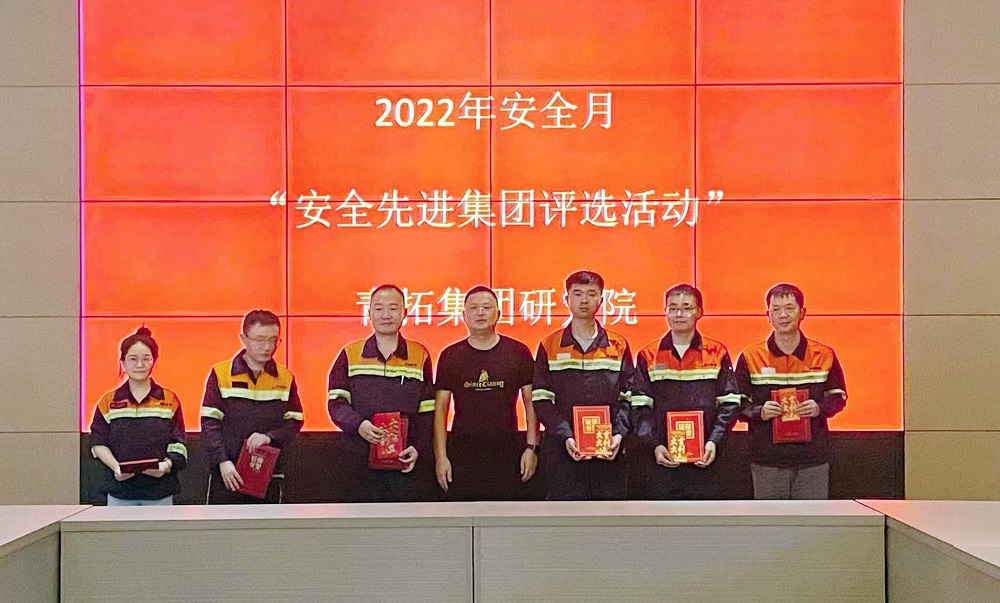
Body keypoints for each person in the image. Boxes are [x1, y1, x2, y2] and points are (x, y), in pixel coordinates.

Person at [735, 283, 848, 499]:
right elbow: (737, 402)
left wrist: (819, 408)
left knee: (811, 518)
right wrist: (759, 412)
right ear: (768, 315)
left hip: (812, 459)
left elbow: (838, 397)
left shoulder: (824, 354)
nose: (783, 315)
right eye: (776, 309)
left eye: (789, 308)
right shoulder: (751, 356)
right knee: (771, 519)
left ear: (802, 313)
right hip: (767, 459)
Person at [630, 284, 742, 499]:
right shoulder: (649, 355)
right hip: (662, 459)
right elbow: (639, 406)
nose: (679, 314)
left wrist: (714, 441)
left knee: (705, 519)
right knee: (663, 519)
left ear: (699, 312)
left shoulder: (716, 352)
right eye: (672, 308)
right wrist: (655, 445)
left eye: (686, 307)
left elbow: (730, 402)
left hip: (707, 459)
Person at [328, 284, 436, 502]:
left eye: (393, 308)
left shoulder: (420, 354)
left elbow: (427, 411)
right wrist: (359, 425)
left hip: (404, 460)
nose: (386, 315)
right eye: (378, 308)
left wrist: (418, 448)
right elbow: (336, 403)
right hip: (358, 459)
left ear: (405, 313)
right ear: (369, 313)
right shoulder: (350, 354)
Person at [532, 270, 634, 500]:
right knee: (565, 516)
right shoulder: (550, 345)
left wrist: (618, 435)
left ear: (601, 299)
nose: (584, 300)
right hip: (563, 451)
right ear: (566, 299)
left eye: (591, 294)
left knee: (609, 515)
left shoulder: (618, 345)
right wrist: (566, 436)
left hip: (610, 451)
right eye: (577, 294)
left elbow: (629, 397)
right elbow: (541, 398)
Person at [433, 286, 539, 500]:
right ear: (464, 315)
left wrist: (531, 448)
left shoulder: (518, 352)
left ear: (498, 314)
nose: (480, 313)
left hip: (509, 452)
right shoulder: (450, 356)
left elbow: (531, 405)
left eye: (486, 307)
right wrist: (440, 457)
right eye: (473, 308)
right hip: (462, 453)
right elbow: (440, 411)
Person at [201, 310, 304, 504]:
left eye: (273, 340)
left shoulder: (285, 378)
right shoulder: (221, 374)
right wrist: (222, 461)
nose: (267, 347)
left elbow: (295, 422)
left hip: (268, 474)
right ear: (244, 339)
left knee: (268, 524)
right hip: (228, 473)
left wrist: (269, 437)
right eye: (259, 340)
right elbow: (210, 423)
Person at [90, 327, 187, 506]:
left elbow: (179, 444)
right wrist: (116, 468)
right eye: (133, 359)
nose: (140, 365)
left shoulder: (169, 400)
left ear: (154, 361)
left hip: (160, 493)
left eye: (146, 359)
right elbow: (98, 443)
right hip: (120, 493)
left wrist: (166, 466)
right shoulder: (108, 402)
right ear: (123, 362)